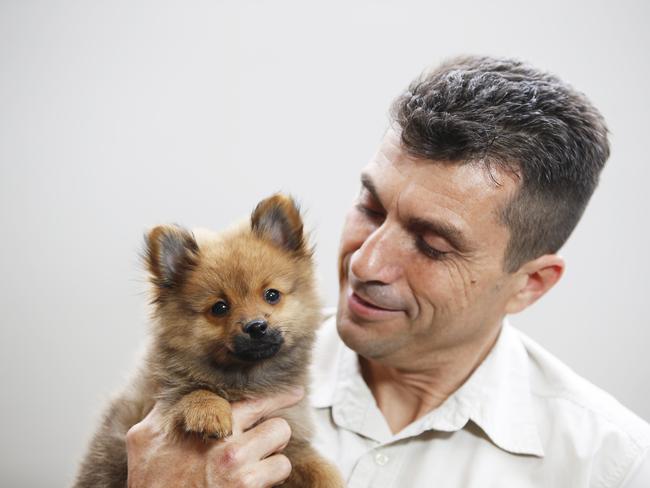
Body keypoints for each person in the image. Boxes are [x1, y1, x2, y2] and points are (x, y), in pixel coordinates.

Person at [125, 55, 650, 487]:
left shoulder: (613, 466)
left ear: (530, 284)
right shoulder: (183, 402)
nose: (364, 261)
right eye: (371, 208)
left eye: (432, 244)